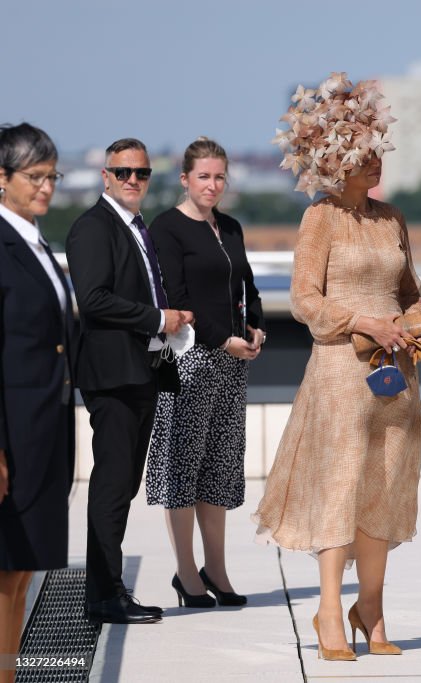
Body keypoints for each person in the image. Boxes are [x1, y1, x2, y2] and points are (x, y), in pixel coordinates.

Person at [253, 74, 421, 662]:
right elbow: (304, 300)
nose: (376, 159)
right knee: (340, 488)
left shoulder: (393, 217)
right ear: (336, 158)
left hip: (396, 374)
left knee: (385, 486)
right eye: (365, 150)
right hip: (339, 373)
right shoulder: (319, 218)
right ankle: (330, 608)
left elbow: (412, 292)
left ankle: (370, 609)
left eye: (378, 147)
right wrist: (363, 322)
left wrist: (411, 326)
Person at [66, 138, 194, 625]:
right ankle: (104, 594)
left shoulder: (137, 227)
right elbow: (93, 299)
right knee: (112, 485)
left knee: (123, 483)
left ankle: (107, 590)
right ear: (105, 176)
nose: (133, 181)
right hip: (113, 375)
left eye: (141, 173)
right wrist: (157, 318)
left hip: (142, 370)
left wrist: (168, 321)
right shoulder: (93, 228)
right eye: (123, 172)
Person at [147, 138, 265, 608]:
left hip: (233, 363)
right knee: (183, 468)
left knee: (219, 468)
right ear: (185, 179)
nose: (212, 185)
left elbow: (248, 287)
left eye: (219, 177)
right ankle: (185, 574)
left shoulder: (230, 227)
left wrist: (255, 328)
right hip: (191, 361)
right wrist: (223, 338)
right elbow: (177, 296)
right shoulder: (167, 228)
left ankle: (215, 569)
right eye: (203, 177)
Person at [0, 123, 74, 679]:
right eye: (34, 176)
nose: (46, 187)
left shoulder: (36, 241)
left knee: (24, 570)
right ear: (2, 179)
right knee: (5, 575)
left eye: (52, 176)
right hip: (13, 435)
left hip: (45, 427)